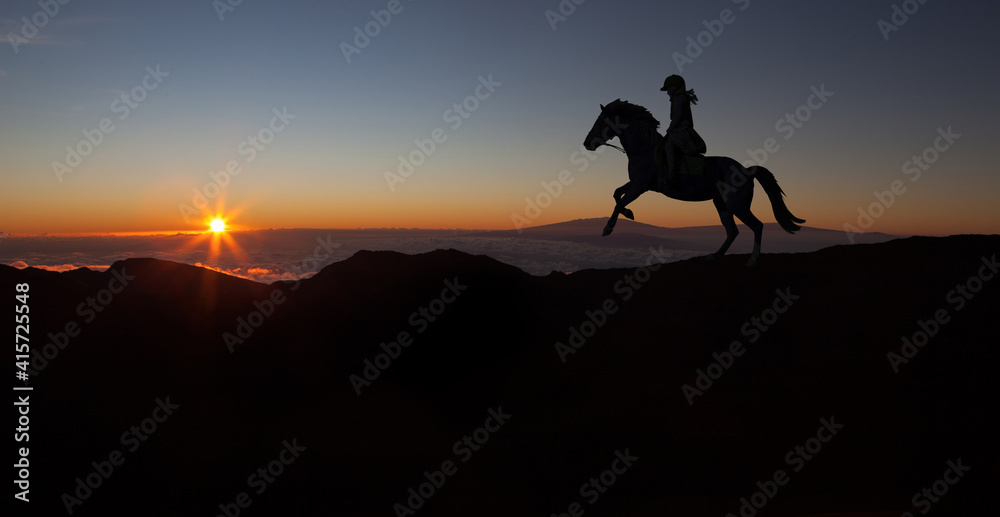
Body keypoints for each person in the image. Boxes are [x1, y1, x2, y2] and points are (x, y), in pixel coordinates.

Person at [658, 75, 704, 190]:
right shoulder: (678, 99)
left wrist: (670, 129)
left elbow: (677, 117)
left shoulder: (679, 99)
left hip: (682, 131)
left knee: (669, 145)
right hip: (680, 130)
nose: (667, 92)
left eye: (669, 88)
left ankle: (673, 174)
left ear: (676, 87)